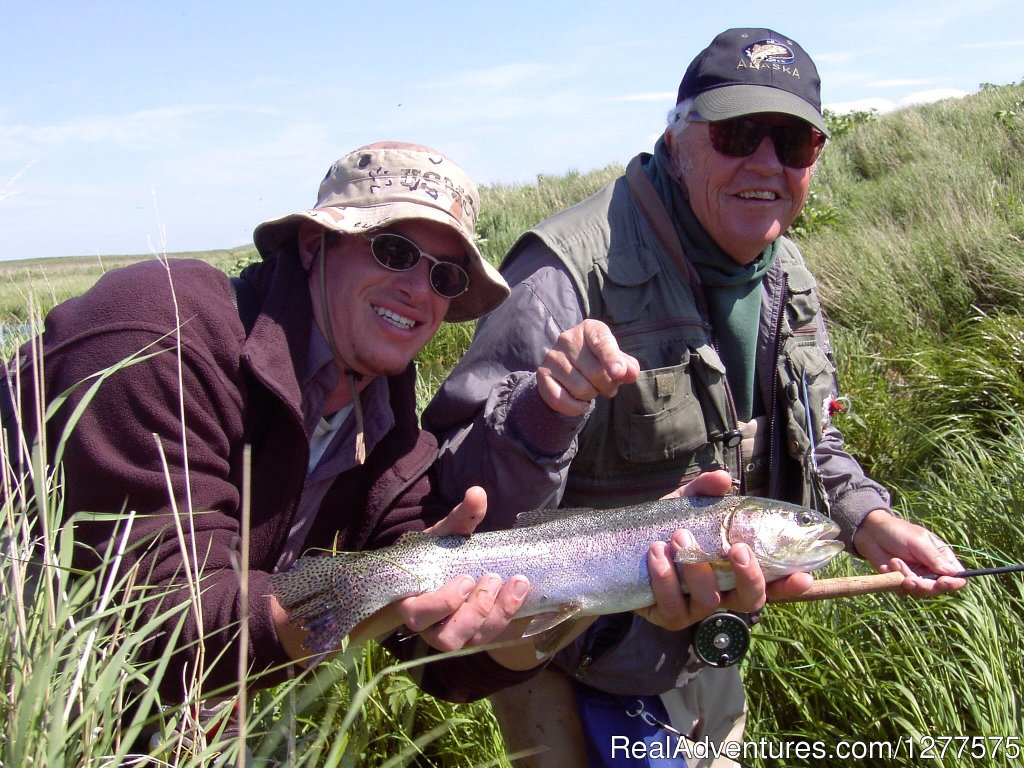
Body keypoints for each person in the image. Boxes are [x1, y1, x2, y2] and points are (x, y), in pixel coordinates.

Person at [423, 28, 967, 767]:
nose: (766, 164)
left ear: (817, 159)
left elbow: (816, 442)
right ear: (677, 143)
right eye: (739, 134)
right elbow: (452, 498)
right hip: (555, 657)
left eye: (794, 143)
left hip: (700, 646)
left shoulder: (785, 271)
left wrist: (868, 519)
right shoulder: (563, 273)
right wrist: (545, 413)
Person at [0, 142, 545, 730]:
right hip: (36, 685)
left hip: (168, 693)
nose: (420, 289)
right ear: (315, 245)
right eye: (393, 251)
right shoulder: (159, 334)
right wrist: (375, 588)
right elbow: (154, 614)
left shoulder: (384, 421)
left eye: (445, 274)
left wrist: (538, 624)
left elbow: (434, 659)